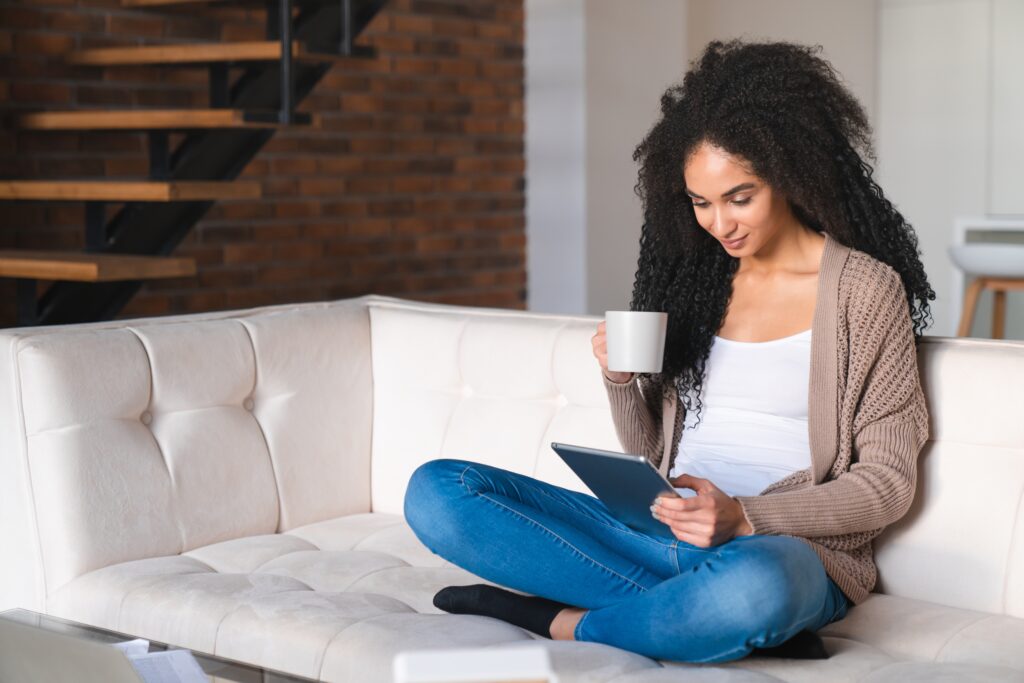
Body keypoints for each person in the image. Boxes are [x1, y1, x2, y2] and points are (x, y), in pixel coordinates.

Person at [403, 39, 933, 663]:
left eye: (740, 197)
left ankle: (561, 621)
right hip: (652, 527)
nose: (720, 225)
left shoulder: (864, 293)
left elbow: (887, 484)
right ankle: (699, 616)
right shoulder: (698, 279)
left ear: (791, 174)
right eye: (700, 203)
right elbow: (649, 455)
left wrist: (744, 517)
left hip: (773, 548)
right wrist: (623, 381)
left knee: (757, 587)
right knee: (437, 492)